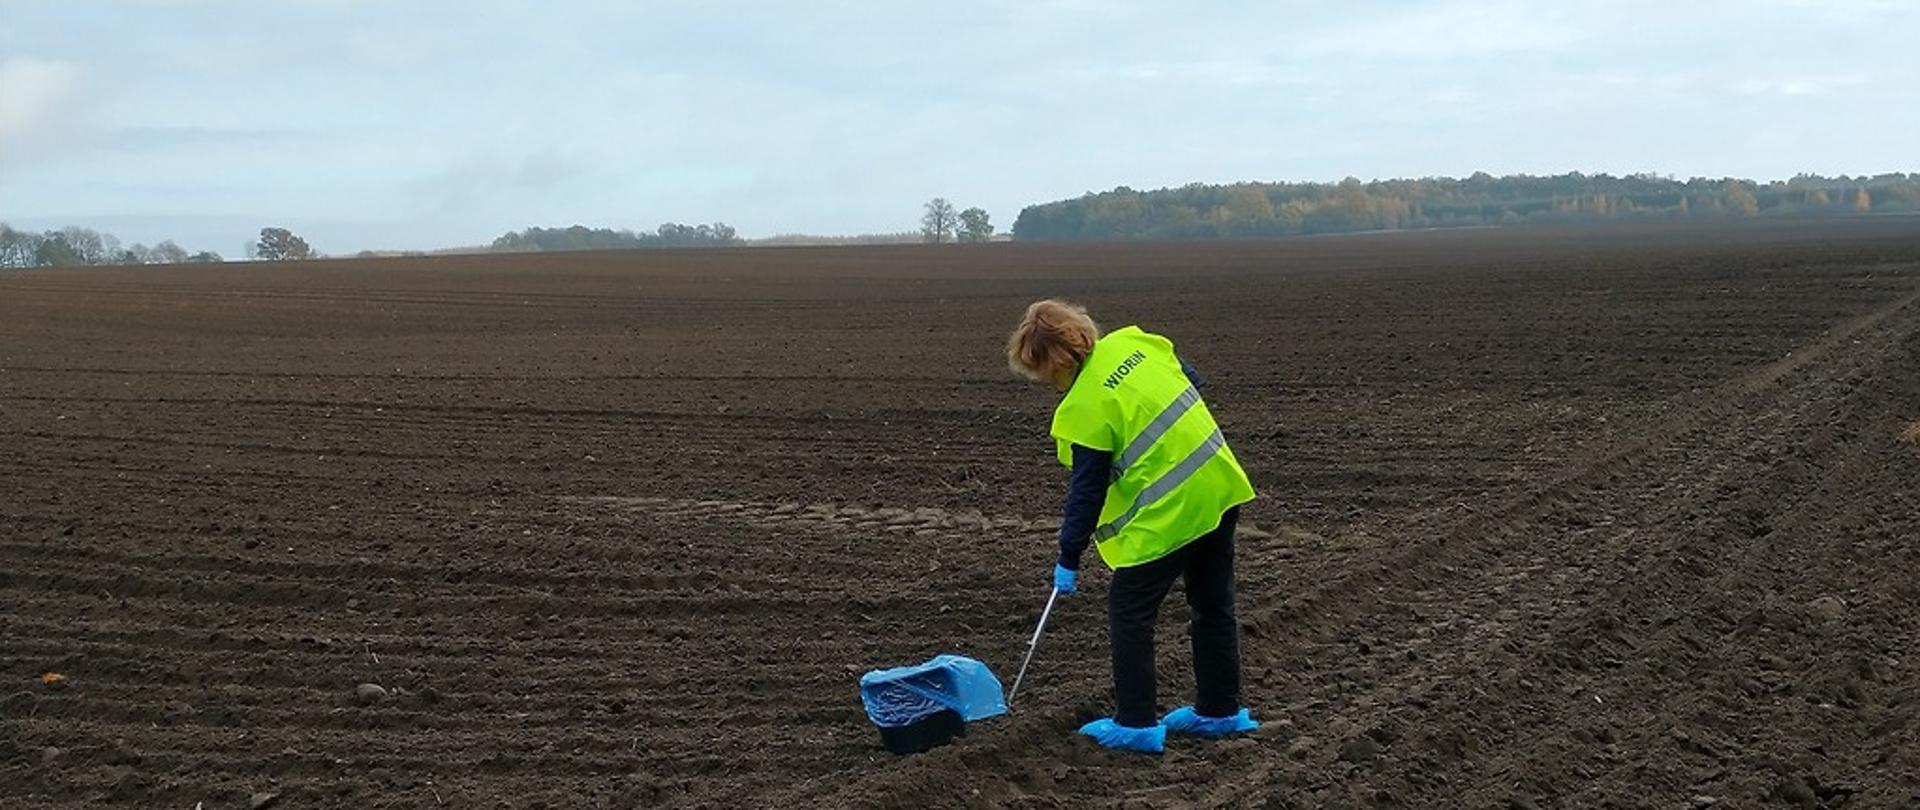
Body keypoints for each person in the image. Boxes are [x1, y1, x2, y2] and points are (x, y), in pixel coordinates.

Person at [1005, 299, 1260, 754]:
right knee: (1212, 603)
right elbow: (1192, 381)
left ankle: (1137, 723)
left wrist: (1068, 556)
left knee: (1129, 609)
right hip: (1218, 483)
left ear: (1048, 363)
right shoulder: (1135, 343)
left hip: (1170, 512)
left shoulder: (1083, 406)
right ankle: (1220, 710)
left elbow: (1087, 491)